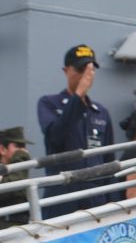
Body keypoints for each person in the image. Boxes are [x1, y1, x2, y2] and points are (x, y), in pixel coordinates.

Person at [37, 44, 114, 218]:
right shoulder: (49, 103)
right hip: (63, 195)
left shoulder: (100, 112)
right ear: (66, 71)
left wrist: (112, 200)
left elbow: (108, 159)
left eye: (90, 70)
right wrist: (78, 97)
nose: (86, 75)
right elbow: (55, 136)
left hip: (95, 195)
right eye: (80, 69)